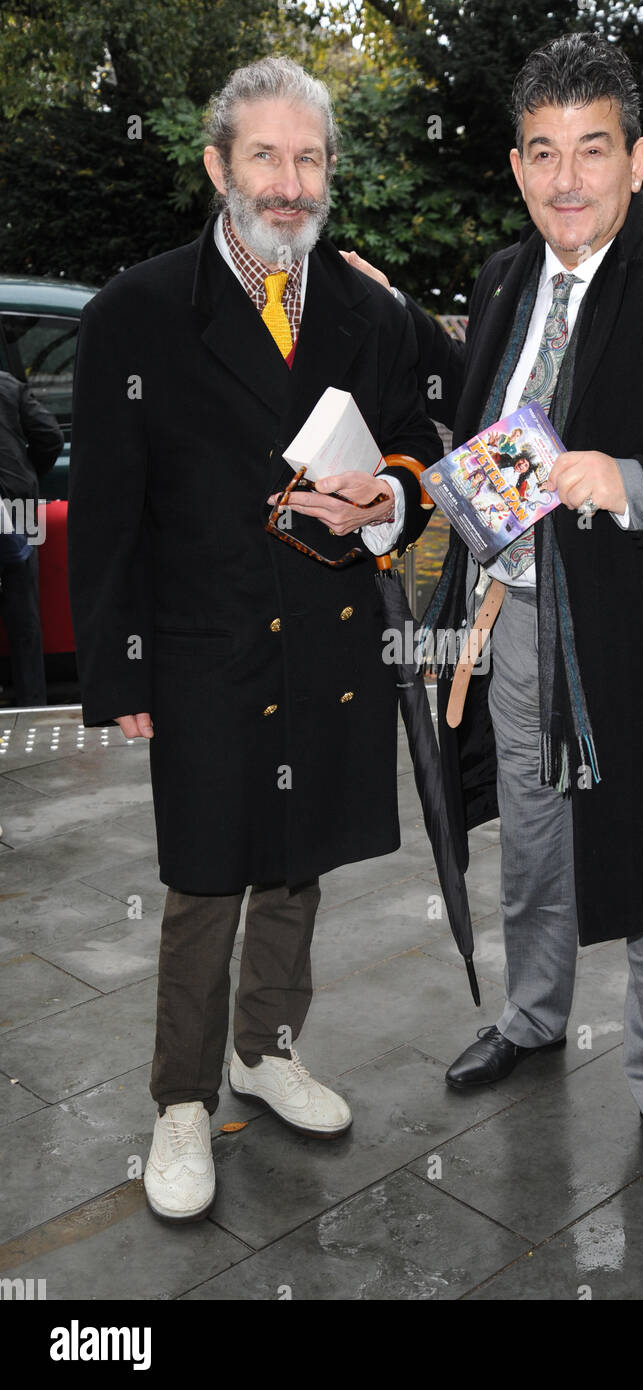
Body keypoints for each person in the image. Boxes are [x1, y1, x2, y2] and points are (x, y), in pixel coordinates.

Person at [347, 32, 643, 1194]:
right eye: (541, 152)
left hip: (640, 644)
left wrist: (630, 481)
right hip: (510, 629)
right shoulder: (504, 278)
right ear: (514, 164)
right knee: (534, 848)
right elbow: (472, 407)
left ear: (638, 157)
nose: (565, 179)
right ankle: (534, 1016)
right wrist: (397, 317)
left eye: (590, 151)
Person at [68, 55, 440, 1223]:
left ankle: (264, 1049)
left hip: (327, 638)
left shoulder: (362, 307)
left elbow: (432, 429)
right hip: (203, 640)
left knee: (298, 855)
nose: (289, 183)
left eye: (310, 158)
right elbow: (111, 508)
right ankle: (182, 1097)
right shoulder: (138, 307)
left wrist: (390, 492)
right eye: (266, 156)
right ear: (218, 165)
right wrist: (118, 667)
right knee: (206, 869)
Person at [0, 370, 63, 707]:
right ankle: (32, 704)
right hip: (18, 503)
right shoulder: (8, 384)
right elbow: (49, 435)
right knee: (24, 611)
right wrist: (26, 474)